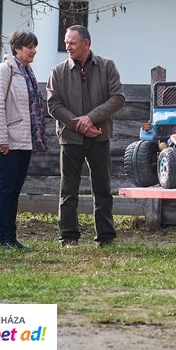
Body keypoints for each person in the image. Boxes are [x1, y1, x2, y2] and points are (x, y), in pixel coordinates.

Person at [47, 25, 126, 247]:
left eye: (72, 42)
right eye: (66, 42)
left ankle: (106, 237)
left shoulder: (107, 66)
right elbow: (53, 105)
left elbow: (117, 98)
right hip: (70, 138)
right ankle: (68, 237)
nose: (67, 46)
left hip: (99, 136)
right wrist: (80, 125)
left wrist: (90, 118)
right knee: (68, 190)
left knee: (102, 188)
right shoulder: (58, 72)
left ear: (86, 43)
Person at [0, 30, 49, 249]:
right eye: (29, 46)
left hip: (23, 141)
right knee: (4, 189)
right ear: (16, 48)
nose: (33, 51)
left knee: (14, 190)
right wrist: (2, 138)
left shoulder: (27, 72)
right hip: (6, 142)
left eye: (34, 46)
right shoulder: (4, 70)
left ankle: (10, 237)